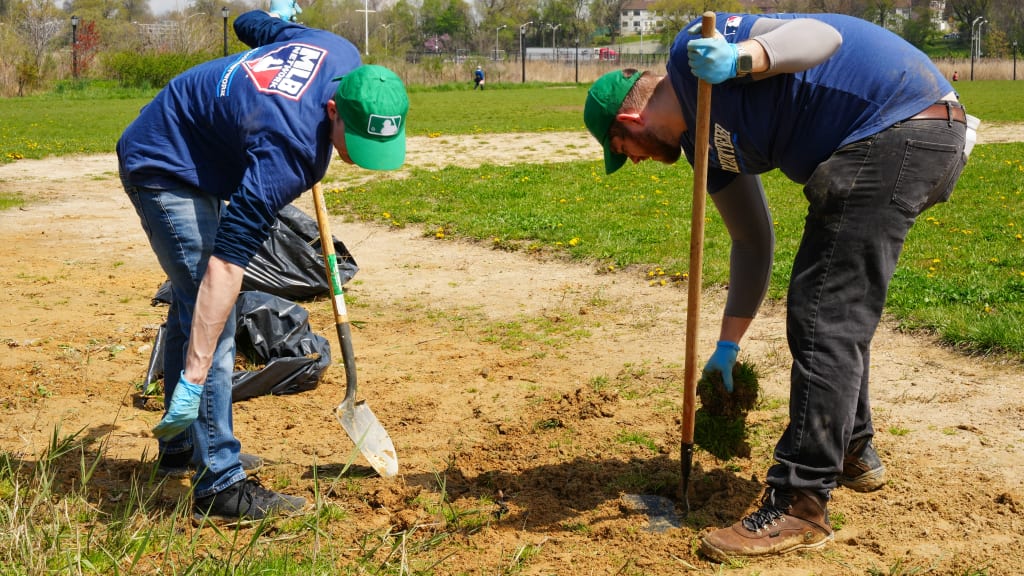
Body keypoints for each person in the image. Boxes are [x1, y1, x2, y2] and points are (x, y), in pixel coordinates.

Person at [584, 12, 971, 561]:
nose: (640, 161)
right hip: (895, 139)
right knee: (832, 307)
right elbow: (752, 242)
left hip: (901, 124)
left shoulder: (694, 54)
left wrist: (740, 59)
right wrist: (726, 345)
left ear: (629, 118)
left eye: (626, 150)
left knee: (824, 313)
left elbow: (823, 37)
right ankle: (851, 449)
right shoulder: (706, 150)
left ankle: (800, 502)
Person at [117, 0, 408, 524]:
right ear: (333, 110)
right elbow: (226, 269)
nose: (357, 157)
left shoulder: (336, 49)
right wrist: (194, 375)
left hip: (199, 148)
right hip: (163, 165)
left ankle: (183, 447)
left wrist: (278, 21)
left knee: (195, 304)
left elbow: (249, 23)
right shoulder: (288, 151)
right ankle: (219, 487)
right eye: (355, 142)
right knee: (216, 314)